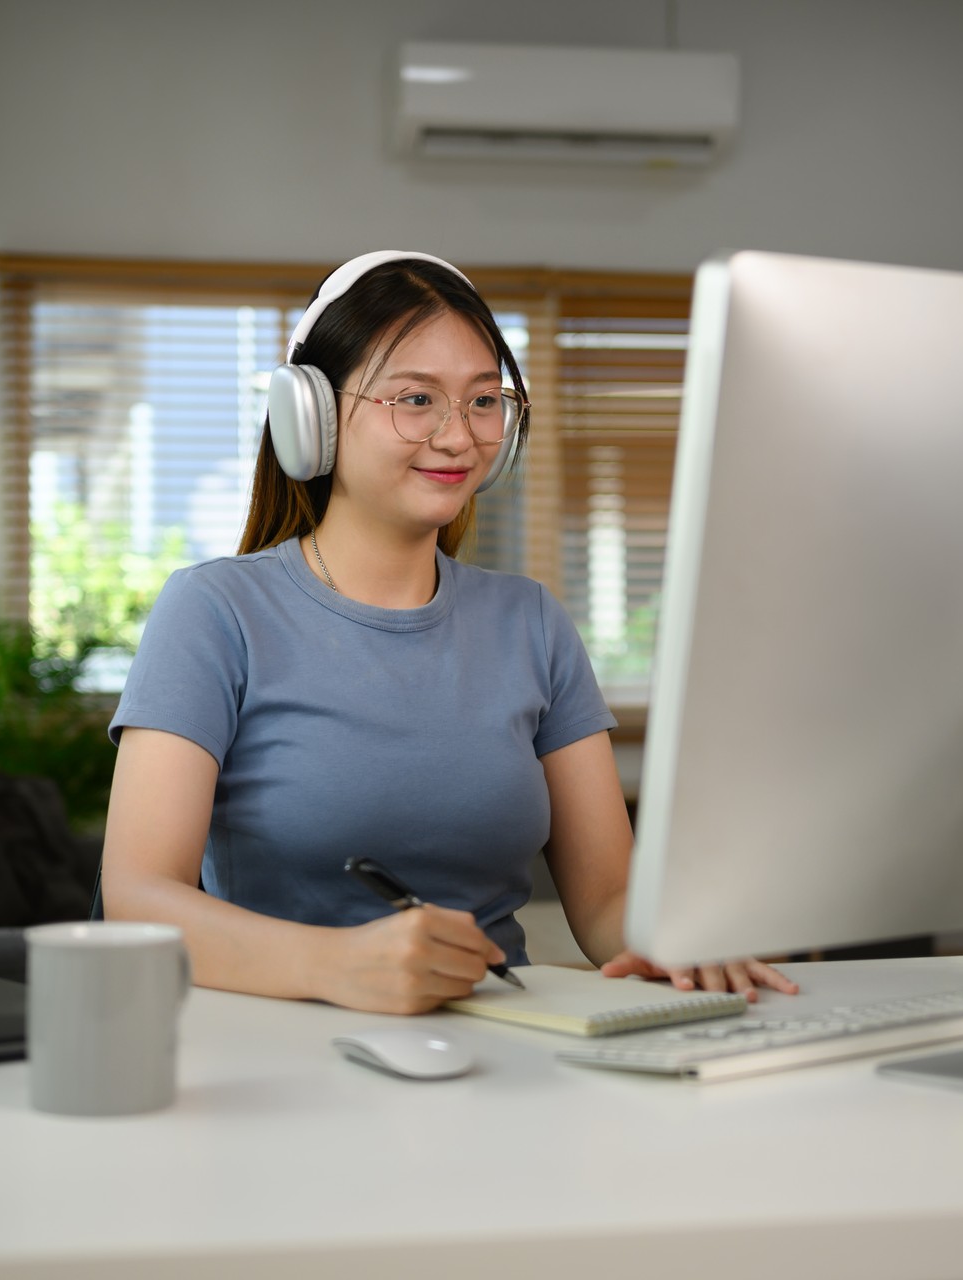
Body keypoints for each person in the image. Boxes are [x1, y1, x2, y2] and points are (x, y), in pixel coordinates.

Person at [100, 250, 795, 1015]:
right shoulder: (217, 611)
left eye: (483, 401)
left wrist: (673, 937)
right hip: (281, 1054)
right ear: (314, 416)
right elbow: (137, 895)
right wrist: (338, 964)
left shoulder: (531, 621)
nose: (458, 437)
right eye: (416, 399)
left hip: (507, 1051)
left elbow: (607, 898)